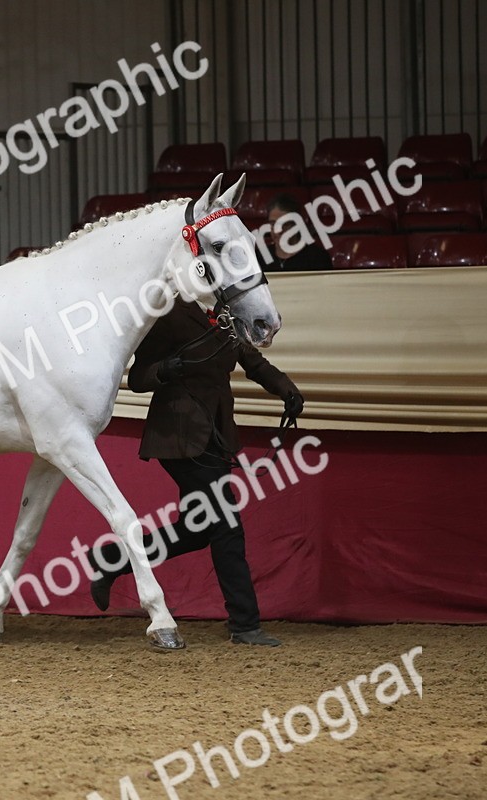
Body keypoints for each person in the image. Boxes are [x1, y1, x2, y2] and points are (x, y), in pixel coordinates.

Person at [87, 298, 304, 646]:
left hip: (216, 436)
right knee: (227, 527)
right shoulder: (168, 313)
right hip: (178, 435)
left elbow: (253, 361)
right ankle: (244, 623)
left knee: (197, 529)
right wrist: (167, 368)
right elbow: (140, 377)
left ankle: (113, 558)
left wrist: (287, 390)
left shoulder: (226, 314)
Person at [261, 193, 333, 271]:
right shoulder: (260, 257)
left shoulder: (317, 257)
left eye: (285, 224)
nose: (278, 231)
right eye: (273, 224)